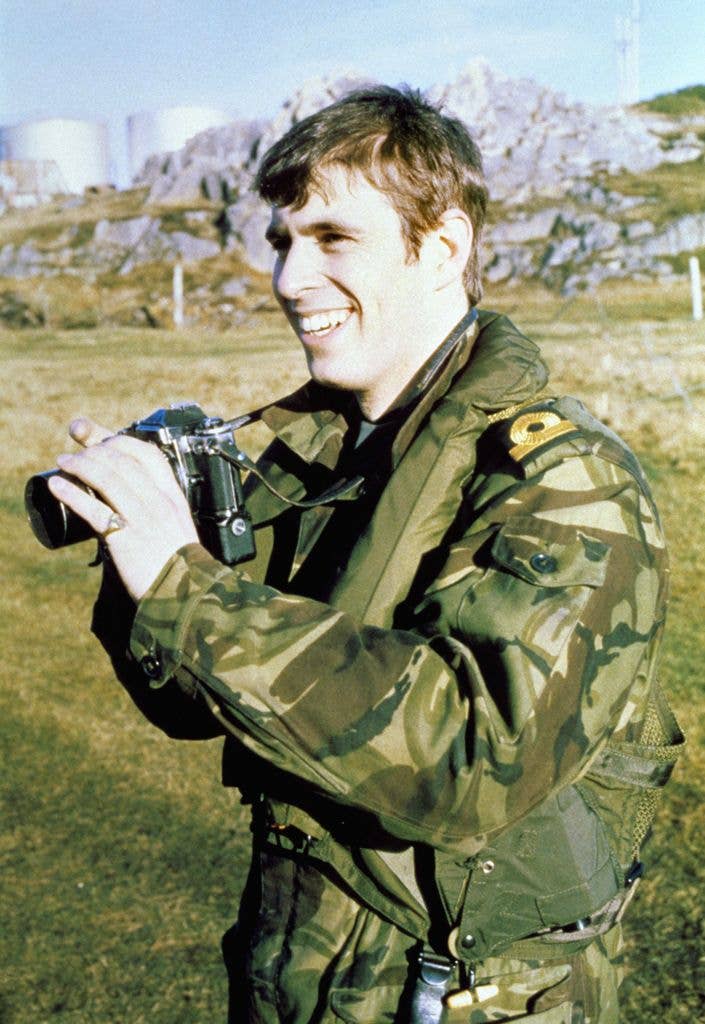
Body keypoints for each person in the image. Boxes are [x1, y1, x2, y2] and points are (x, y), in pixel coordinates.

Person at [49, 86, 683, 1023]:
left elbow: (475, 752)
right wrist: (135, 553)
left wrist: (185, 586)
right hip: (301, 979)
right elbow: (196, 704)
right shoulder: (323, 455)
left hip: (461, 996)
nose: (289, 279)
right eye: (282, 242)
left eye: (332, 239)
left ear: (443, 248)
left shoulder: (567, 480)